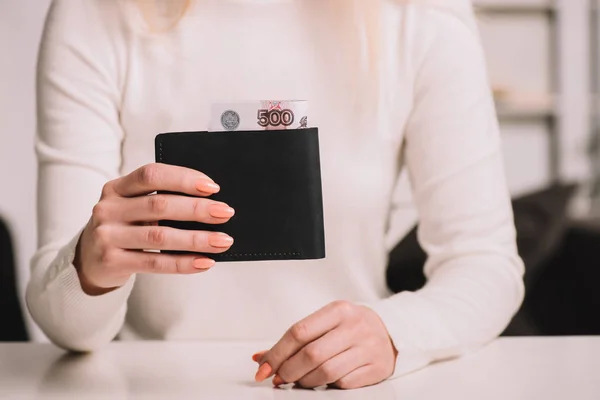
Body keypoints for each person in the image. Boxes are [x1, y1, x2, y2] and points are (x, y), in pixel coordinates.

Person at [27, 0, 525, 390]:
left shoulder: (420, 14)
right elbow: (65, 326)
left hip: (346, 389)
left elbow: (485, 264)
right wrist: (89, 270)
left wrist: (396, 333)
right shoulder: (95, 12)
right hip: (152, 387)